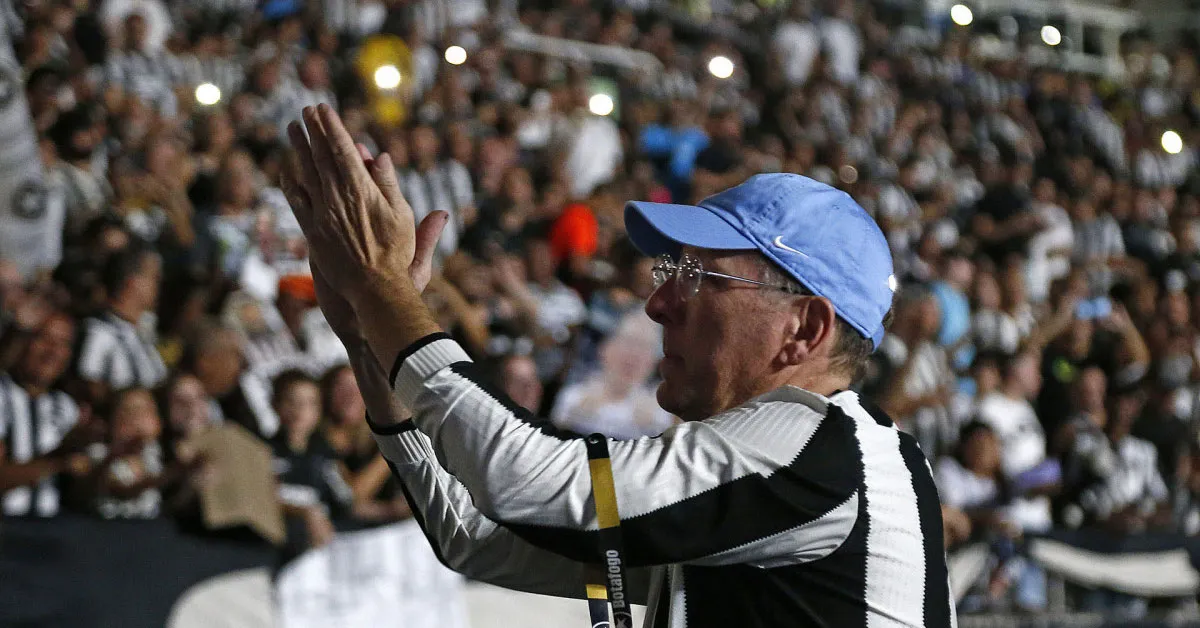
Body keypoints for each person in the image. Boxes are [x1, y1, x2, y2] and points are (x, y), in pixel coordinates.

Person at [281, 107, 953, 627]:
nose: (658, 302)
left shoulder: (822, 448)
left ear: (802, 328)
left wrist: (383, 291)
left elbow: (528, 484)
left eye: (697, 275)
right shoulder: (760, 491)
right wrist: (372, 341)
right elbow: (475, 534)